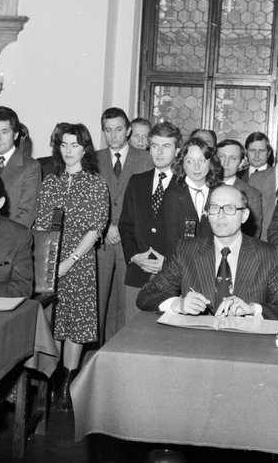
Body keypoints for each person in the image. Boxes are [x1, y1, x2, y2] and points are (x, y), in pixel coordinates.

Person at [137, 184, 278, 323]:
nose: (220, 216)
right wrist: (178, 304)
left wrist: (252, 309)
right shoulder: (186, 251)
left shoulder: (266, 254)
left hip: (245, 346)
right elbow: (146, 296)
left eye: (229, 208)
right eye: (214, 208)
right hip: (195, 345)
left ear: (244, 215)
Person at [34, 123, 108, 411]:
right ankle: (50, 380)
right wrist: (47, 260)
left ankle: (66, 384)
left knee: (75, 325)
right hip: (49, 261)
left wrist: (69, 261)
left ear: (85, 148)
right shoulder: (50, 181)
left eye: (74, 145)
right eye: (64, 145)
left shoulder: (94, 183)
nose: (68, 151)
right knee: (52, 322)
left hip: (78, 261)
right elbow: (41, 223)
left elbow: (95, 228)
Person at [95, 107, 152, 342]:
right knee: (99, 299)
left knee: (125, 300)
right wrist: (105, 225)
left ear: (128, 130)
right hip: (101, 241)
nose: (114, 135)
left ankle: (120, 346)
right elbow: (90, 199)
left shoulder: (145, 158)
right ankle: (94, 353)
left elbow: (146, 202)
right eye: (108, 130)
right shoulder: (94, 159)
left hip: (130, 240)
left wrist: (121, 226)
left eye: (119, 129)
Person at [119, 122, 180, 323]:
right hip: (138, 272)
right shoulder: (137, 181)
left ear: (177, 150)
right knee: (132, 331)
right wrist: (135, 256)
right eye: (154, 146)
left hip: (172, 275)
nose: (159, 152)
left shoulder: (184, 184)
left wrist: (170, 261)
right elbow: (125, 225)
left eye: (166, 146)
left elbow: (191, 233)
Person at [162, 137, 223, 250]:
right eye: (190, 161)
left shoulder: (220, 192)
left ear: (210, 162)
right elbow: (171, 239)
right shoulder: (173, 194)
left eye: (202, 160)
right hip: (182, 262)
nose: (196, 167)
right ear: (183, 164)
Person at [216, 139, 263, 238]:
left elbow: (253, 234)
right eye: (221, 157)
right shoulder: (204, 187)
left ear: (241, 163)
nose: (225, 163)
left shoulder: (252, 194)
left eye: (233, 158)